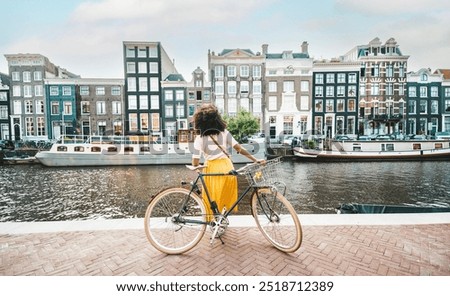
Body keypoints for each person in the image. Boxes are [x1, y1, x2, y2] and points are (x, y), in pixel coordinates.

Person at [192, 104, 264, 217]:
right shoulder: (224, 133)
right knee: (225, 197)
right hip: (227, 167)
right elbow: (239, 148)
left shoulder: (199, 138)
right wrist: (255, 159)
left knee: (212, 198)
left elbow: (195, 161)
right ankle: (223, 219)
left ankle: (214, 222)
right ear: (217, 119)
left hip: (211, 169)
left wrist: (197, 167)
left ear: (199, 122)